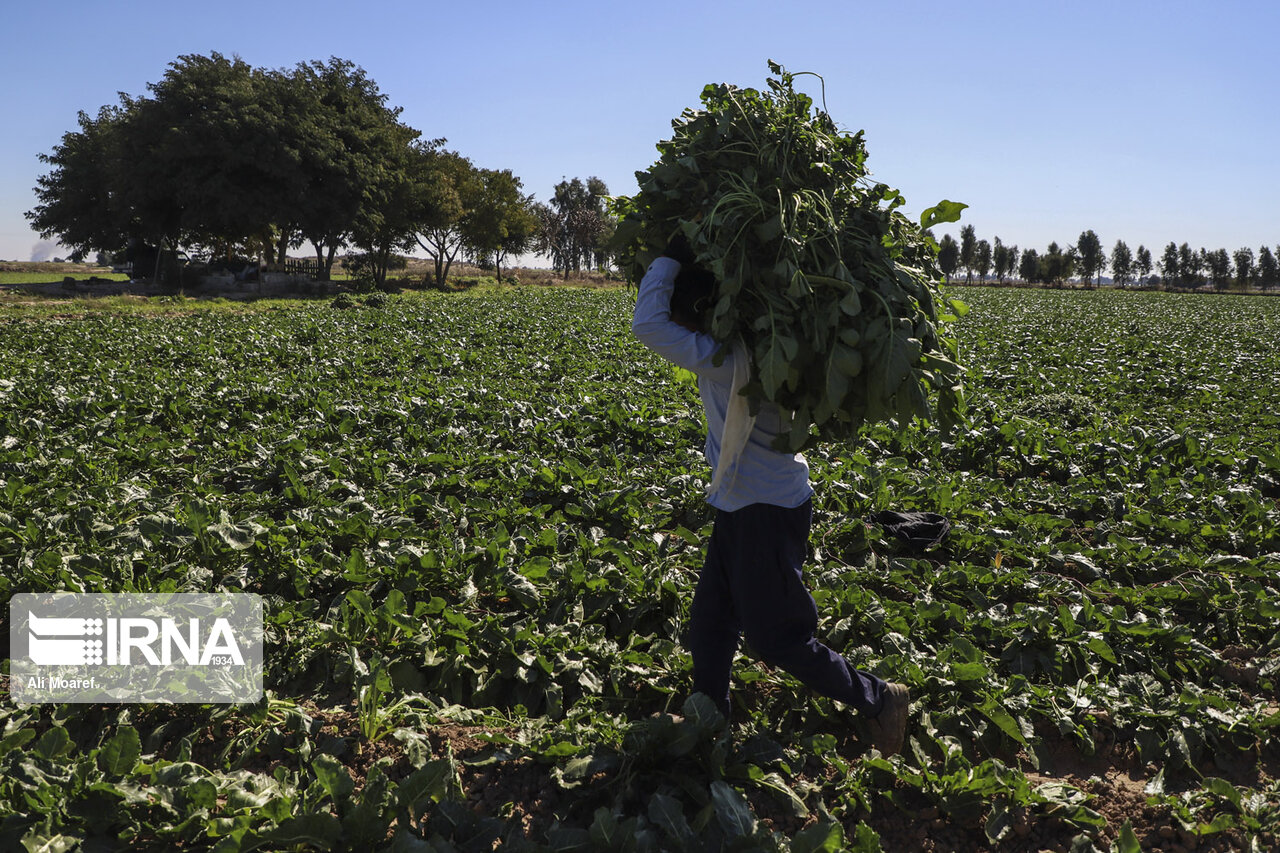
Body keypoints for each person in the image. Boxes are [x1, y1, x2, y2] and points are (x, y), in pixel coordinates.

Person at [630, 236, 911, 756]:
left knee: (776, 636)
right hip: (743, 502)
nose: (686, 330)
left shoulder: (733, 358)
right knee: (712, 620)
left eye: (687, 317)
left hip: (765, 509)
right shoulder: (768, 346)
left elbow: (647, 325)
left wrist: (667, 257)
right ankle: (708, 712)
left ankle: (879, 700)